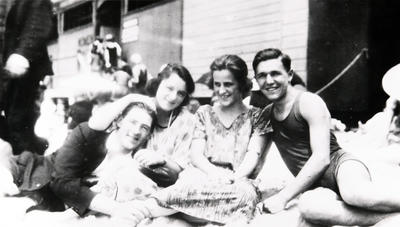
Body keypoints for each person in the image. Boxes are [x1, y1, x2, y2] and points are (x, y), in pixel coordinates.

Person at [252, 48, 400, 226]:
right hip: (316, 185)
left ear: (289, 75)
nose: (269, 81)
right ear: (256, 79)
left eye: (275, 73)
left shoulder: (308, 102)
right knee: (309, 209)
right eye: (262, 75)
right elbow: (254, 157)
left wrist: (282, 197)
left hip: (341, 167)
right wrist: (232, 181)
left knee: (355, 194)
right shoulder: (265, 115)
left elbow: (321, 158)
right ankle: (390, 218)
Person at [126, 54, 272, 226]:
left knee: (245, 195)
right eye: (217, 84)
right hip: (204, 176)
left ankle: (158, 208)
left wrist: (234, 178)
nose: (222, 90)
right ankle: (142, 212)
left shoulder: (257, 116)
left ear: (240, 84)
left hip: (237, 182)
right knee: (188, 183)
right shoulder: (205, 112)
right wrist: (214, 173)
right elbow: (196, 155)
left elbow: (253, 154)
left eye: (228, 84)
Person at [0, 100, 159, 224]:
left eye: (144, 127)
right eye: (133, 122)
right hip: (28, 176)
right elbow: (61, 182)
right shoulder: (86, 135)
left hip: (53, 206)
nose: (137, 130)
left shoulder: (137, 163)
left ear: (148, 134)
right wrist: (116, 209)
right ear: (119, 121)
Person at [90, 63, 196, 189]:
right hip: (119, 176)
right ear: (158, 83)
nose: (173, 97)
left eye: (181, 93)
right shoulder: (140, 106)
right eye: (169, 88)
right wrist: (129, 98)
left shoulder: (187, 120)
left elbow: (181, 167)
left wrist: (162, 160)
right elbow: (94, 124)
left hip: (161, 185)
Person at [0, 0, 54, 155]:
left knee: (18, 123)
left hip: (21, 71)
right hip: (7, 69)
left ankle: (27, 167)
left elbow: (38, 19)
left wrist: (24, 53)